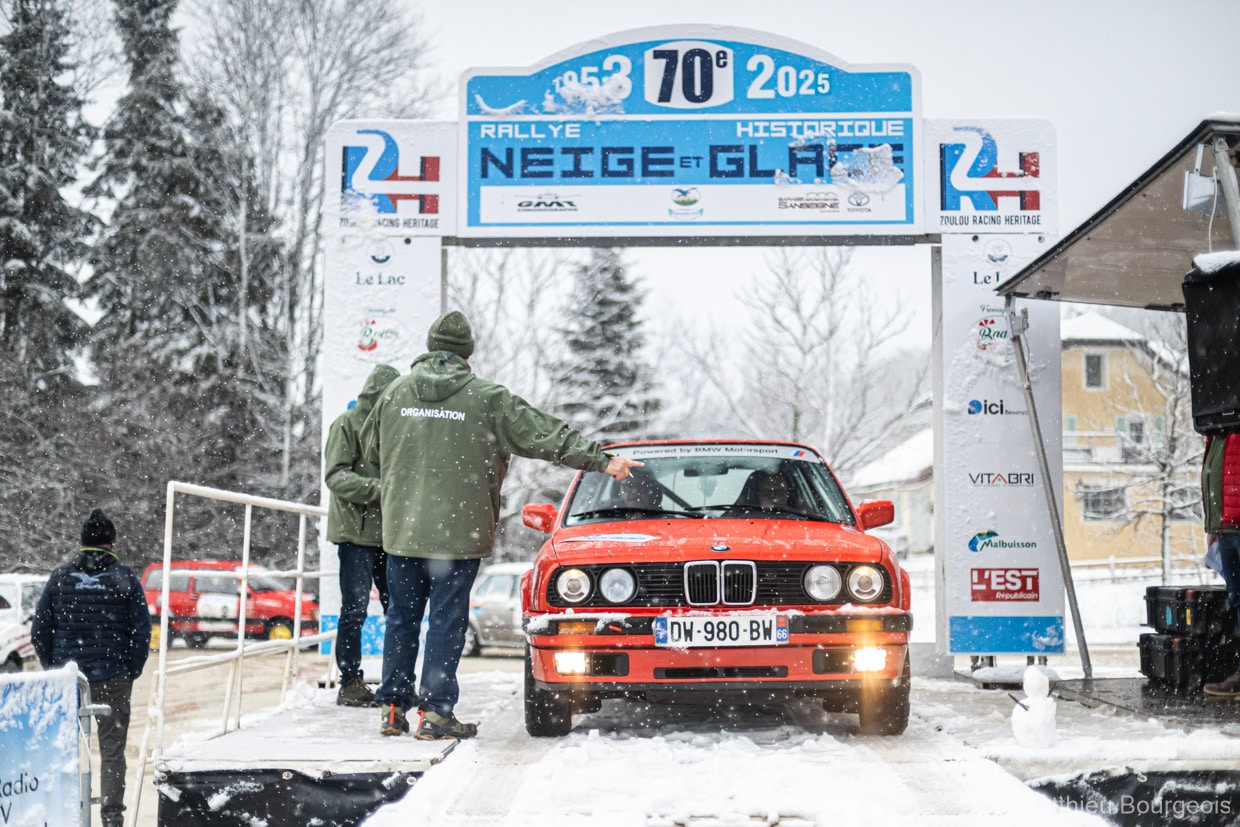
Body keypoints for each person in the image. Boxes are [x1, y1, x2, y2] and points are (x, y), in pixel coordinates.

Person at [361, 310, 642, 739]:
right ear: (465, 353)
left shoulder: (394, 393)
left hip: (403, 530)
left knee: (401, 617)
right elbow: (544, 435)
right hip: (458, 532)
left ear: (429, 345)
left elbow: (371, 451)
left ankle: (393, 707)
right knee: (446, 621)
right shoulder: (486, 398)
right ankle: (436, 713)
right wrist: (603, 460)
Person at [31, 509, 150, 827]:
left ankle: (66, 813)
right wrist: (130, 670)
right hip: (113, 676)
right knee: (112, 751)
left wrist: (56, 670)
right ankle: (111, 818)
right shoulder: (124, 578)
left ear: (82, 542)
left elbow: (40, 630)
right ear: (112, 542)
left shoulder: (59, 577)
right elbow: (141, 631)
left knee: (66, 749)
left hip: (69, 680)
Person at [324, 363, 400, 706]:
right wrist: (381, 489)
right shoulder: (346, 424)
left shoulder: (396, 427)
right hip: (355, 536)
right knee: (354, 610)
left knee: (398, 609)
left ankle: (396, 681)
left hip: (390, 536)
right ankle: (350, 682)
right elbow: (336, 477)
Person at [1201, 432, 1240, 696]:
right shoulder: (1216, 426)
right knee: (1237, 598)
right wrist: (1214, 525)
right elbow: (1216, 475)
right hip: (1228, 527)